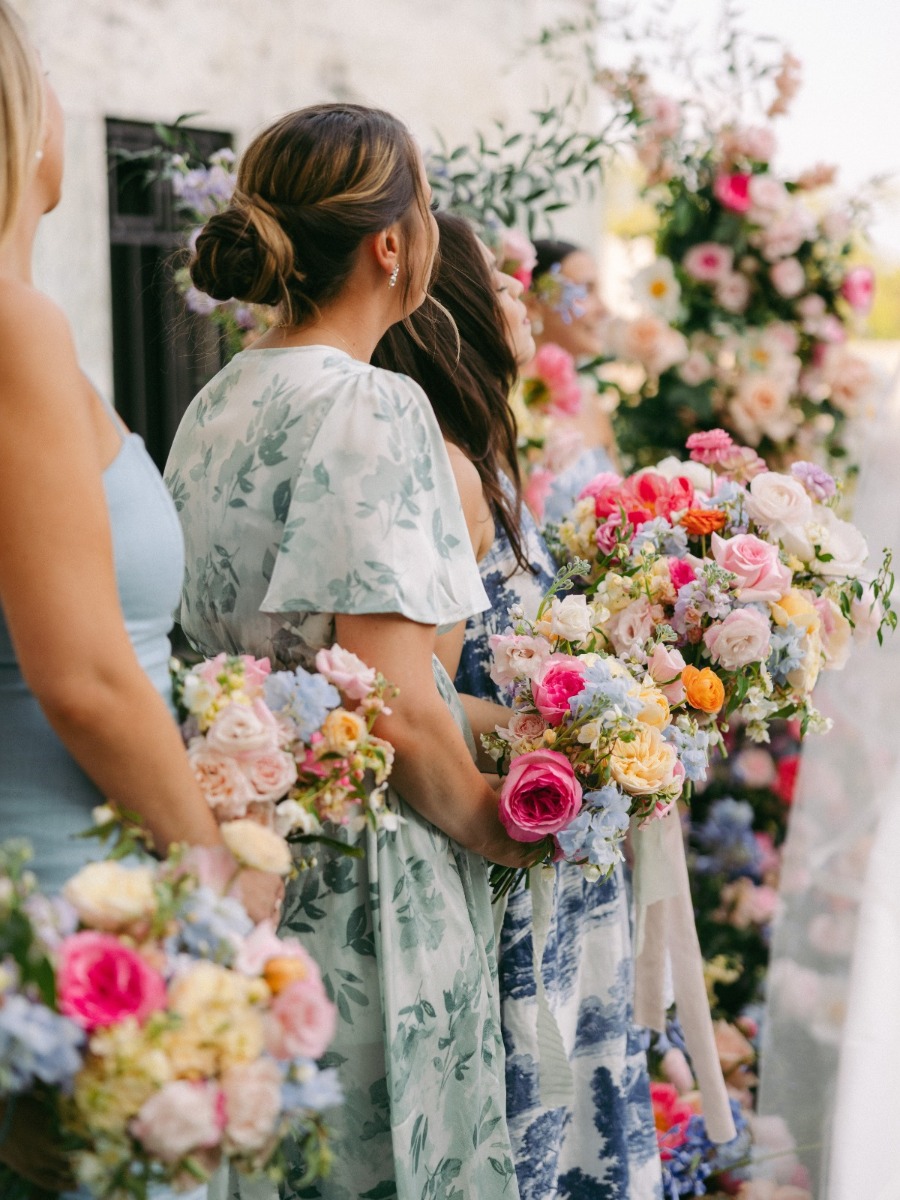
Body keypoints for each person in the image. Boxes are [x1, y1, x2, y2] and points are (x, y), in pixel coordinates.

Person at [164, 102, 534, 1200]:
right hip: (367, 874)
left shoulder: (216, 400)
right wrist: (494, 827)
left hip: (250, 853)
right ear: (391, 243)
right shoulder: (376, 404)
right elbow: (389, 697)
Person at [0, 4, 283, 1194]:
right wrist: (213, 871)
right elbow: (85, 678)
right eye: (50, 77)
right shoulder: (13, 325)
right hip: (73, 896)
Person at [374, 212, 663, 1200]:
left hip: (558, 827)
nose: (520, 295)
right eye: (500, 282)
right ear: (454, 307)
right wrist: (593, 724)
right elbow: (432, 692)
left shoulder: (488, 455)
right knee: (529, 1108)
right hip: (501, 828)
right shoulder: (444, 469)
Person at [525, 238, 619, 523]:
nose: (604, 309)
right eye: (587, 290)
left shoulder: (590, 402)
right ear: (535, 303)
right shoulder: (509, 402)